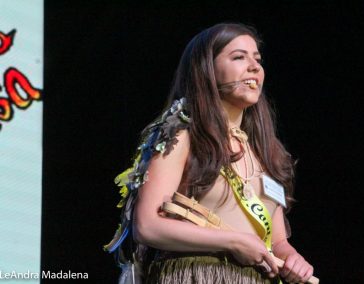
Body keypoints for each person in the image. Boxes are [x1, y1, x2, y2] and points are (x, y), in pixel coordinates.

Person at [105, 23, 314, 284]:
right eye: (239, 57)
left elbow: (277, 241)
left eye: (257, 59)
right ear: (206, 69)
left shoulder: (264, 152)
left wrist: (293, 258)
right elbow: (147, 226)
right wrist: (233, 241)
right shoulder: (181, 135)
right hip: (195, 275)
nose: (254, 67)